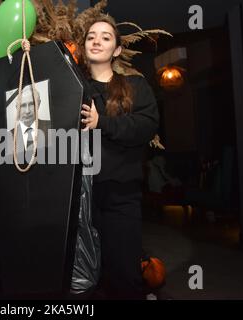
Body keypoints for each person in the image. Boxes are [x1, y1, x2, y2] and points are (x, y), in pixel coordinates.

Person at [78, 16, 159, 299]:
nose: (96, 40)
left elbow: (146, 125)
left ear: (116, 51)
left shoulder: (135, 86)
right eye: (91, 36)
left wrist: (103, 123)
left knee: (124, 275)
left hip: (121, 195)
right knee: (90, 277)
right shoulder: (75, 89)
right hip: (80, 201)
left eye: (105, 37)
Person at [10, 84, 50, 162]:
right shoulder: (10, 135)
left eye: (31, 104)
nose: (27, 111)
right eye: (23, 105)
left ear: (38, 104)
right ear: (17, 108)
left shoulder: (50, 128)